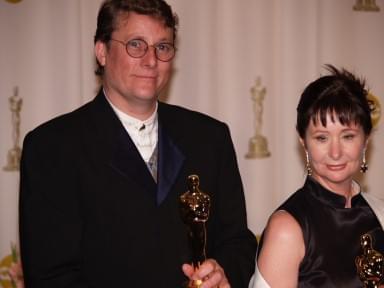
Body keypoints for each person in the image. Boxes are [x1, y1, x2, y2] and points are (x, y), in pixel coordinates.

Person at [19, 0, 257, 287]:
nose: (151, 60)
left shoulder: (210, 137)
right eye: (136, 44)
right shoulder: (52, 148)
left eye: (162, 47)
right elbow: (50, 277)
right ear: (102, 52)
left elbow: (238, 242)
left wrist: (223, 272)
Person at [250, 65, 384, 287]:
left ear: (365, 141)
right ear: (304, 143)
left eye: (348, 136)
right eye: (322, 138)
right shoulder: (288, 228)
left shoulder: (379, 213)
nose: (335, 152)